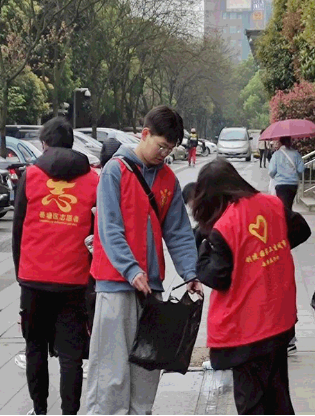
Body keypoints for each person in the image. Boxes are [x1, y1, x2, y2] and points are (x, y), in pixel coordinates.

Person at [87, 105, 203, 415]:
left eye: (170, 149)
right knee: (110, 372)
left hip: (151, 288)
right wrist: (130, 268)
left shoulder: (167, 179)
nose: (164, 154)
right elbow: (109, 228)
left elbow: (178, 231)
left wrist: (190, 273)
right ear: (145, 134)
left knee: (147, 368)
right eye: (161, 146)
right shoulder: (115, 171)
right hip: (115, 285)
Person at [194, 158, 311, 415]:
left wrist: (202, 252)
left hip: (247, 329)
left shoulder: (225, 226)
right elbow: (302, 230)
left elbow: (217, 277)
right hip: (278, 319)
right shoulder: (272, 204)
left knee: (252, 403)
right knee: (278, 397)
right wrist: (270, 251)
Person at [12, 117, 99, 416]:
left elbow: (18, 229)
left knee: (35, 347)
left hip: (33, 278)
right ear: (72, 144)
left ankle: (39, 410)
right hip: (74, 280)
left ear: (44, 144)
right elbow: (96, 234)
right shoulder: (93, 180)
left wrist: (21, 273)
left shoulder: (31, 175)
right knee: (71, 356)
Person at [268, 136, 305, 211]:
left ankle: (284, 218)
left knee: (282, 207)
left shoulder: (276, 154)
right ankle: (288, 217)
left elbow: (271, 171)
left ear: (280, 142)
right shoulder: (296, 154)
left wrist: (275, 176)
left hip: (280, 184)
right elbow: (301, 169)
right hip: (293, 184)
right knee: (289, 206)